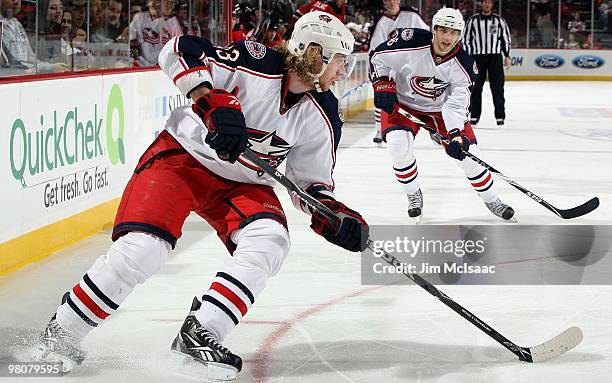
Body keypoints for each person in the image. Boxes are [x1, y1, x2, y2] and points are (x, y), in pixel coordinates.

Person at [32, 10, 368, 381]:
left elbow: (310, 182)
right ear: (316, 52)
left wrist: (335, 216)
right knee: (144, 248)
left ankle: (202, 330)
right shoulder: (256, 62)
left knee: (270, 240)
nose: (344, 68)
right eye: (340, 58)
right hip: (182, 159)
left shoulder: (325, 112)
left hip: (245, 184)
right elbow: (177, 50)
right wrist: (209, 102)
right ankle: (62, 334)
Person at [369, 7, 515, 222]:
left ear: (460, 35)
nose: (448, 37)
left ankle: (492, 199)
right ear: (434, 30)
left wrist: (455, 134)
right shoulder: (411, 42)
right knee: (397, 146)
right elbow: (378, 58)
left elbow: (456, 106)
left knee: (470, 156)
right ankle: (413, 194)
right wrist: (383, 84)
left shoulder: (464, 65)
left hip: (440, 112)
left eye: (454, 32)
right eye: (443, 30)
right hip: (403, 105)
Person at [367, 0, 428, 144]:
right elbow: (375, 50)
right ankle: (379, 128)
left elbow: (428, 36)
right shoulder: (380, 22)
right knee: (382, 96)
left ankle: (432, 125)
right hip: (390, 67)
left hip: (411, 67)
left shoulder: (412, 16)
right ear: (383, 1)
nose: (392, 1)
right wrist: (377, 74)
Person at [463, 0, 511, 127]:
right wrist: (468, 57)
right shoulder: (472, 21)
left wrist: (507, 55)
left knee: (498, 87)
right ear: (481, 4)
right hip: (477, 58)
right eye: (485, 2)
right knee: (476, 88)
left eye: (489, 2)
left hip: (495, 57)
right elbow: (466, 39)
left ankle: (500, 116)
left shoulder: (499, 20)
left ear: (492, 4)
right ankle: (474, 115)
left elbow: (505, 38)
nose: (487, 4)